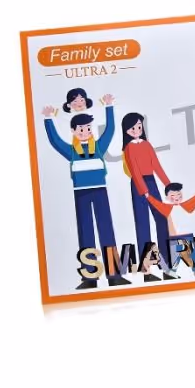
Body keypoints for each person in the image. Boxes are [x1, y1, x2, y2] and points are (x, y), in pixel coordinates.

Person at [42, 94, 130, 289]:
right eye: (80, 129)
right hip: (81, 192)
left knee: (106, 230)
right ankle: (90, 277)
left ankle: (114, 275)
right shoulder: (71, 151)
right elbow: (55, 141)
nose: (85, 132)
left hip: (100, 191)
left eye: (88, 128)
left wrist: (109, 106)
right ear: (73, 131)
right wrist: (48, 119)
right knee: (86, 231)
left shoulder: (98, 147)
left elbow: (110, 130)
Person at [121, 112, 172, 274]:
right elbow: (134, 171)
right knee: (142, 222)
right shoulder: (128, 148)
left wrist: (169, 185)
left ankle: (166, 258)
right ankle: (145, 262)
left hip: (151, 181)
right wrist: (144, 191)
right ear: (126, 130)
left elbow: (156, 165)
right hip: (138, 185)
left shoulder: (147, 145)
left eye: (139, 127)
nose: (137, 130)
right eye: (133, 128)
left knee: (161, 217)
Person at [146, 183, 195, 274]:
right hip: (174, 237)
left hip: (187, 235)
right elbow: (156, 204)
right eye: (172, 195)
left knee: (192, 253)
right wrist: (148, 197)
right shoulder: (167, 208)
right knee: (174, 255)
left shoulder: (186, 205)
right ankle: (172, 270)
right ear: (167, 197)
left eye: (179, 194)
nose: (176, 197)